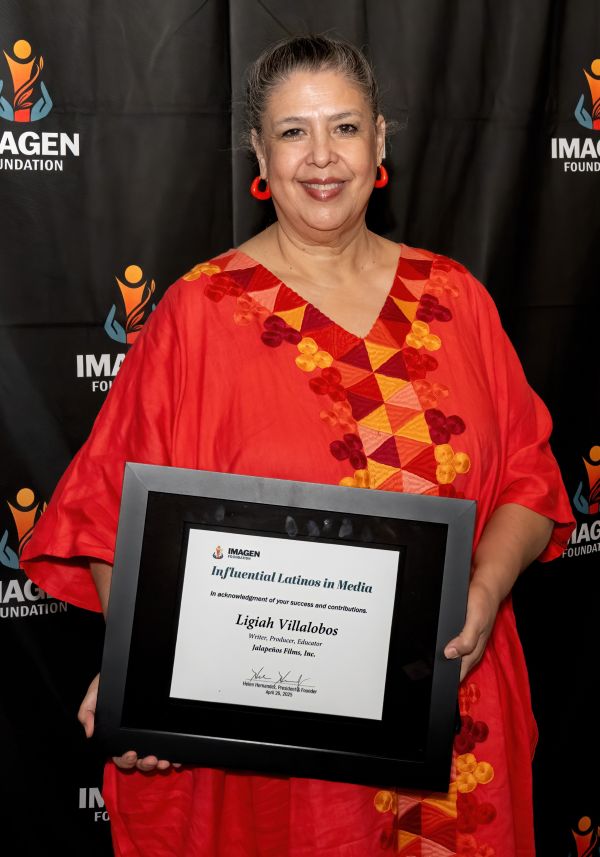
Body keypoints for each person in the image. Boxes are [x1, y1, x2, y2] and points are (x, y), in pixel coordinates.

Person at [21, 35, 573, 857]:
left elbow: (531, 478)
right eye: (292, 132)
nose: (321, 157)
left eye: (344, 127)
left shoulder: (458, 298)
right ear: (259, 152)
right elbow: (110, 519)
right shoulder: (197, 315)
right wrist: (145, 668)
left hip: (460, 713)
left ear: (380, 141)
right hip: (285, 757)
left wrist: (486, 589)